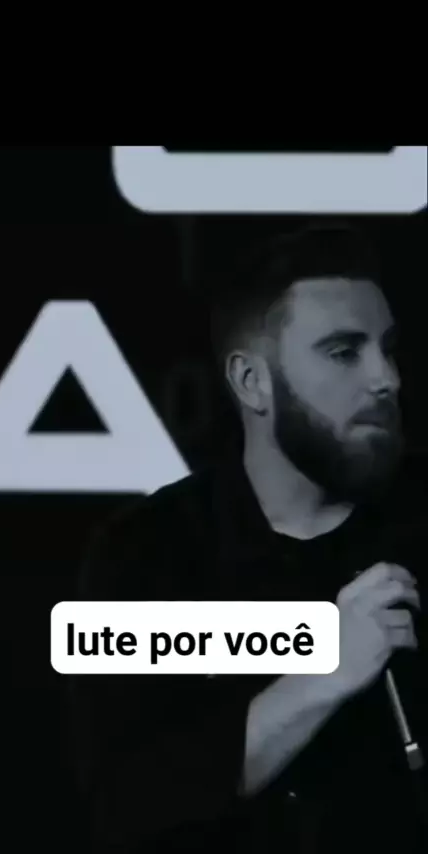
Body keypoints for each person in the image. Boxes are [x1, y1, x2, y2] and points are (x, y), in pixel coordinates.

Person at [69, 222, 427, 853]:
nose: (387, 378)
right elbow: (125, 806)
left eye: (388, 349)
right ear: (251, 381)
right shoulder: (147, 555)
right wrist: (322, 670)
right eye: (344, 352)